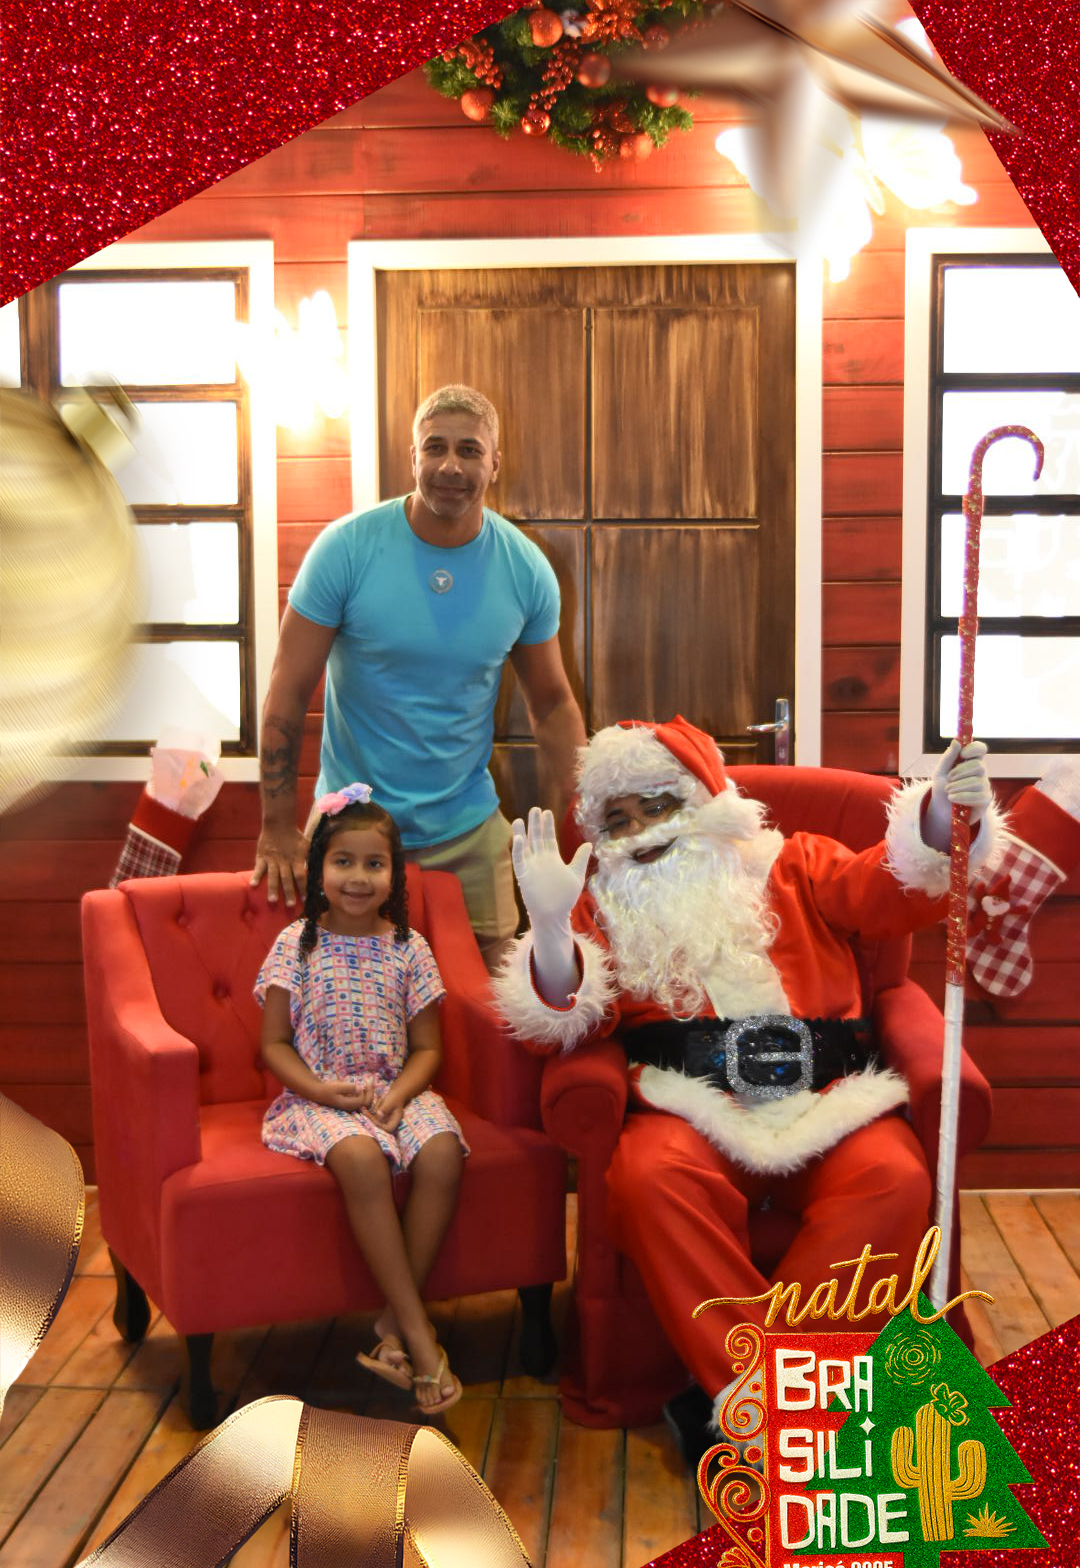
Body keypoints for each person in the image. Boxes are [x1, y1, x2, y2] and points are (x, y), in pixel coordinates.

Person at [493, 716, 999, 1465]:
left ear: (705, 797)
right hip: (690, 1105)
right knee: (648, 1179)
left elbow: (888, 892)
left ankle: (752, 1399)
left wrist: (939, 816)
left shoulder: (796, 862)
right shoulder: (598, 901)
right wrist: (548, 930)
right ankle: (783, 1406)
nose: (640, 832)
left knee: (894, 1179)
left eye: (657, 805)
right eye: (617, 819)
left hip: (829, 1098)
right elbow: (559, 1028)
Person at [252, 384, 586, 968]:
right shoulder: (345, 550)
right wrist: (278, 826)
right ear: (413, 458)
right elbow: (287, 690)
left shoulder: (526, 569)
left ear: (495, 464)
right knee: (343, 997)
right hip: (351, 827)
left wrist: (584, 822)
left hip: (467, 828)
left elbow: (553, 705)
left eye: (469, 450)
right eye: (435, 448)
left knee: (494, 1001)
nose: (451, 465)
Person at [255, 782, 467, 1414]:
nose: (357, 877)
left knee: (443, 1152)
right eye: (343, 861)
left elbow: (427, 1048)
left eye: (374, 864)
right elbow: (273, 1044)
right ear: (319, 868)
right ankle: (420, 1339)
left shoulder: (409, 947)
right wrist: (319, 1089)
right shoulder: (295, 944)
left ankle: (391, 1326)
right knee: (359, 1157)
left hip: (397, 1089)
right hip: (318, 1095)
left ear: (393, 874)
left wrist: (400, 1094)